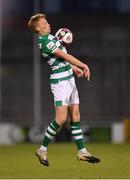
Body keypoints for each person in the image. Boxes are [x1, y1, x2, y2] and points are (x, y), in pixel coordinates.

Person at [28, 13, 100, 166]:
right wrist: (83, 65)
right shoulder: (45, 42)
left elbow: (61, 59)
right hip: (60, 82)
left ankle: (82, 151)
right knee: (61, 118)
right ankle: (42, 149)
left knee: (75, 114)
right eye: (45, 23)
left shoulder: (52, 37)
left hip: (69, 79)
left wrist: (74, 68)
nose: (48, 24)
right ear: (38, 28)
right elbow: (63, 55)